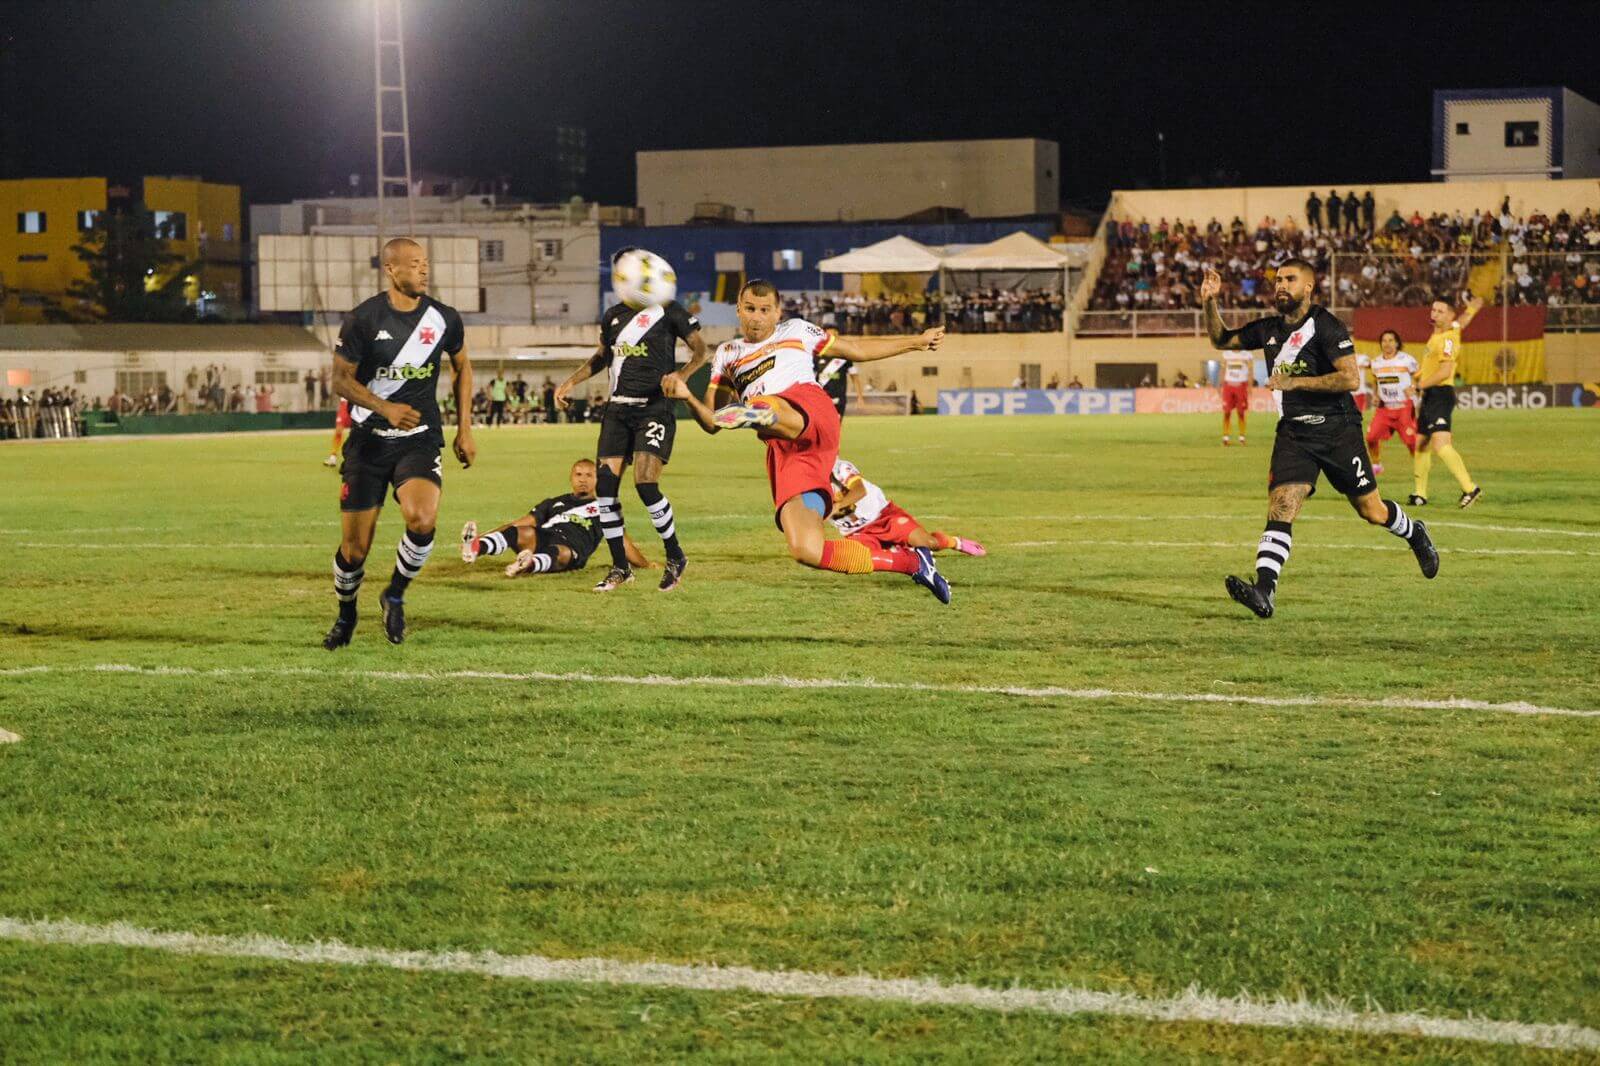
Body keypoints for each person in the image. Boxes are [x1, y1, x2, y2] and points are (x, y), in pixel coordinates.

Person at [664, 279, 950, 603]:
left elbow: (855, 349)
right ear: (738, 311)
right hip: (788, 452)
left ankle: (756, 412)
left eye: (764, 310)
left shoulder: (797, 331)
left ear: (778, 312)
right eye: (750, 309)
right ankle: (911, 562)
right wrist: (686, 395)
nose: (757, 317)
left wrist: (916, 342)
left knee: (768, 406)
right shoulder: (728, 354)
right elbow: (711, 421)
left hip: (810, 411)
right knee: (806, 550)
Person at [1200, 259, 1438, 619]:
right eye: (1278, 279)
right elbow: (1221, 339)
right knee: (1283, 503)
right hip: (1295, 434)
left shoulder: (1326, 326)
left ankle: (1413, 532)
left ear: (1308, 287)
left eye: (1290, 279)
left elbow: (1349, 379)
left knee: (1371, 511)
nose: (1281, 285)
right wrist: (1209, 302)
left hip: (1338, 431)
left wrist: (1295, 382)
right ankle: (1264, 591)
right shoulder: (1268, 329)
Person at [323, 236, 475, 650]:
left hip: (419, 440)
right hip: (369, 442)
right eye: (413, 263)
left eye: (425, 262)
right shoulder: (364, 319)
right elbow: (338, 380)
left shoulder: (444, 318)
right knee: (354, 550)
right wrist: (384, 407)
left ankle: (394, 594)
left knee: (422, 519)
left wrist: (465, 428)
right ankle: (347, 613)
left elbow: (463, 367)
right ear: (390, 269)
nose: (423, 270)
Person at [554, 248, 709, 593]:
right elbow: (601, 358)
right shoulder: (612, 316)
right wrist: (571, 381)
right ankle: (620, 568)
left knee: (645, 484)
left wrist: (682, 374)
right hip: (616, 412)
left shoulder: (669, 311)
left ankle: (675, 554)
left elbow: (701, 350)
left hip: (654, 409)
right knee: (605, 491)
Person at [460, 458, 652, 576]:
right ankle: (477, 547)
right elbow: (518, 523)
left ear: (597, 479)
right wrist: (482, 536)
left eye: (588, 475)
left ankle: (529, 564)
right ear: (571, 477)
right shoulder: (553, 503)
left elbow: (622, 543)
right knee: (518, 531)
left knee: (560, 552)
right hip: (544, 537)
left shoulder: (606, 508)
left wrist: (646, 564)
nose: (583, 479)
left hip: (572, 547)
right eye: (578, 474)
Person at [829, 457, 986, 557]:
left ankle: (954, 542)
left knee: (930, 544)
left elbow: (859, 490)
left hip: (884, 516)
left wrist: (837, 506)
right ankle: (898, 550)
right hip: (855, 532)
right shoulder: (806, 483)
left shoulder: (839, 467)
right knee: (863, 559)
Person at [1411, 294, 1484, 508]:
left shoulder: (1449, 339)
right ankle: (1419, 494)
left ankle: (1470, 488)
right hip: (1430, 395)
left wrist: (1418, 386)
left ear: (1450, 314)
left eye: (1440, 311)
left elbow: (1444, 372)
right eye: (1433, 310)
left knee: (1440, 445)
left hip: (1441, 394)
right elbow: (1460, 323)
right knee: (1421, 444)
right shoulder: (1439, 335)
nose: (1435, 314)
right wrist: (1471, 311)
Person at [1365, 329, 1419, 476]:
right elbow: (1376, 381)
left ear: (1397, 343)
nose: (1387, 344)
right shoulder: (1376, 363)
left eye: (1390, 340)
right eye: (1384, 341)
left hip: (1404, 407)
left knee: (1411, 441)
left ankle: (1420, 467)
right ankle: (1376, 465)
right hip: (1385, 408)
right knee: (1371, 437)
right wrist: (1376, 395)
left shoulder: (1407, 360)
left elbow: (1418, 376)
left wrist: (1414, 387)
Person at [1219, 347, 1253, 446]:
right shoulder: (1226, 354)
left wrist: (1250, 386)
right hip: (1228, 386)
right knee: (1227, 412)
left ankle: (1242, 437)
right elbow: (1223, 369)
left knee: (1241, 412)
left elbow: (1251, 370)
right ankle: (1225, 437)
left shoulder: (1247, 354)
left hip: (1241, 386)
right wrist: (1220, 384)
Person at [814, 354, 865, 420]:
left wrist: (860, 398)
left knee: (836, 426)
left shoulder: (844, 358)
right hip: (821, 399)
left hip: (839, 399)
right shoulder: (817, 357)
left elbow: (855, 378)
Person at [324, 397, 352, 467]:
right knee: (338, 431)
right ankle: (333, 457)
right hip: (344, 405)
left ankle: (354, 458)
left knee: (357, 432)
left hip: (356, 405)